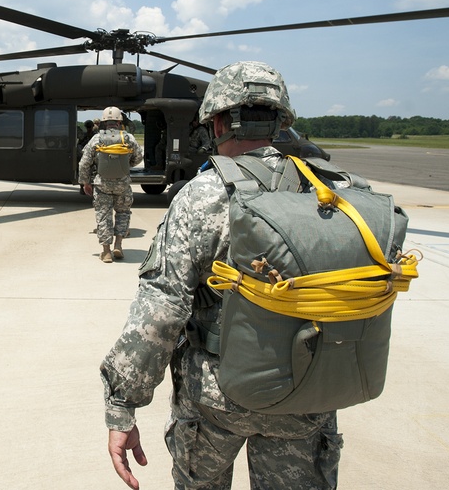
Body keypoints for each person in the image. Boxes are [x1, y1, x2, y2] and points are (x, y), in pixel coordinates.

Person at [100, 62, 342, 489]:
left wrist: (123, 404)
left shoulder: (201, 196)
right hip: (306, 393)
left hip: (217, 396)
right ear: (281, 121)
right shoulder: (323, 190)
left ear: (216, 121)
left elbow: (162, 308)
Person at [78, 106, 144, 263]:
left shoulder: (96, 139)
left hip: (102, 185)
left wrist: (86, 182)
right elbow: (139, 157)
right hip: (123, 184)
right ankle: (118, 245)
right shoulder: (128, 138)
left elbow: (84, 163)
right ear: (119, 122)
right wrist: (126, 165)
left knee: (103, 216)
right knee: (123, 213)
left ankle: (106, 252)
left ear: (103, 122)